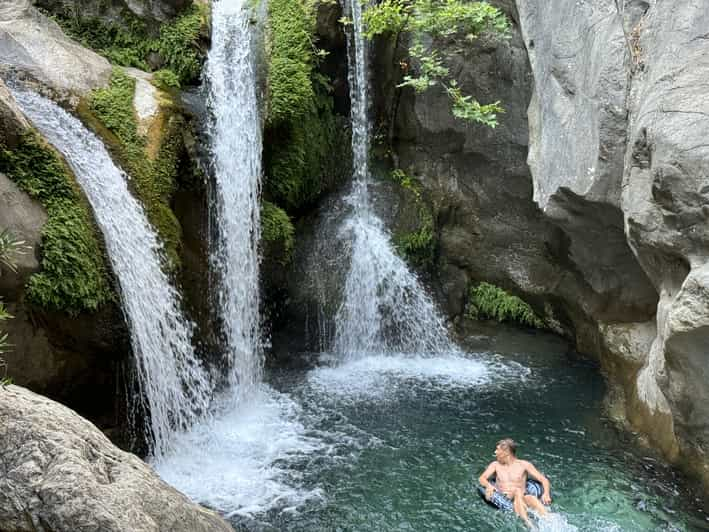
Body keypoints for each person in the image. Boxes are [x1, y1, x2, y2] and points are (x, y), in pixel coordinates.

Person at [478, 438, 552, 528]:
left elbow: (543, 480)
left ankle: (550, 520)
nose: (495, 452)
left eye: (497, 449)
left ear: (506, 452)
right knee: (517, 491)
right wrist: (489, 486)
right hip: (506, 499)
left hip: (523, 497)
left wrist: (546, 494)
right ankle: (529, 524)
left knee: (530, 497)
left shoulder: (524, 465)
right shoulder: (495, 465)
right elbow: (482, 478)